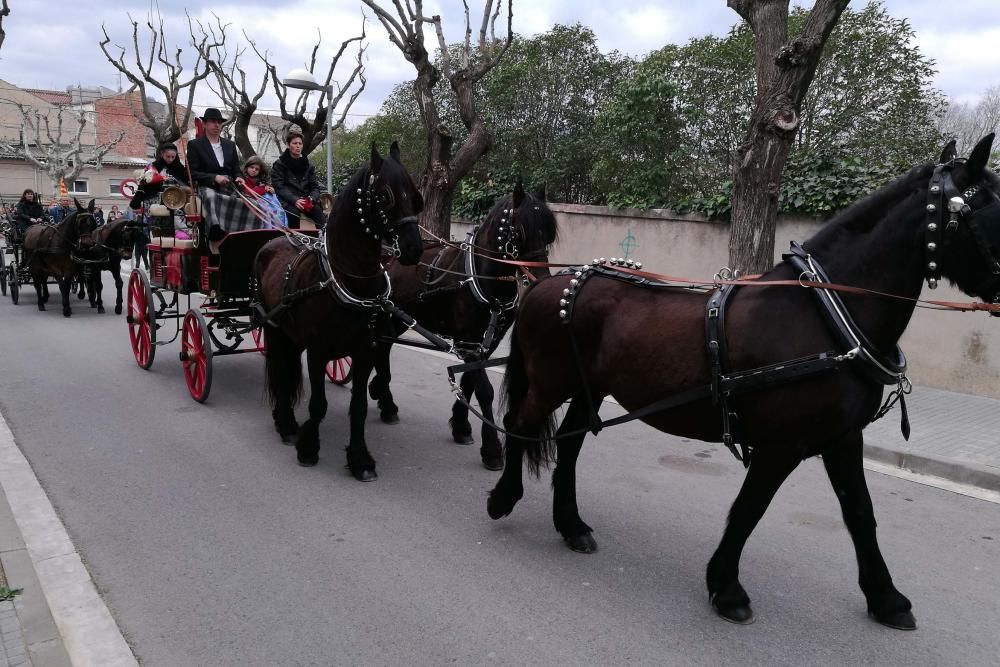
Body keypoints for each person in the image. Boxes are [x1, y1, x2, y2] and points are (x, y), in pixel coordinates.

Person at [270, 130, 326, 229]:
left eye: (300, 143)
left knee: (319, 214)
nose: (298, 146)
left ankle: (322, 241)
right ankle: (295, 241)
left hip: (306, 200)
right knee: (293, 214)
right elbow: (279, 187)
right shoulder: (279, 164)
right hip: (289, 201)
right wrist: (294, 200)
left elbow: (315, 187)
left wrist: (311, 198)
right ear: (288, 145)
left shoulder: (308, 165)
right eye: (295, 143)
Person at [186, 108, 240, 189]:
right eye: (213, 121)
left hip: (231, 188)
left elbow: (236, 169)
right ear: (204, 124)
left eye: (219, 122)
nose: (217, 125)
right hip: (207, 188)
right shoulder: (195, 145)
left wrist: (239, 177)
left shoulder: (230, 145)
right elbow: (191, 172)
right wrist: (214, 177)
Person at [237, 156, 287, 228]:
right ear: (247, 167)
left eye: (257, 169)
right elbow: (248, 192)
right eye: (252, 167)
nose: (254, 170)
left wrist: (270, 189)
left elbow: (266, 188)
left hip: (262, 199)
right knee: (267, 211)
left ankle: (280, 227)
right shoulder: (242, 178)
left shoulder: (261, 179)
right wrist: (262, 188)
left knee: (277, 209)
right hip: (251, 200)